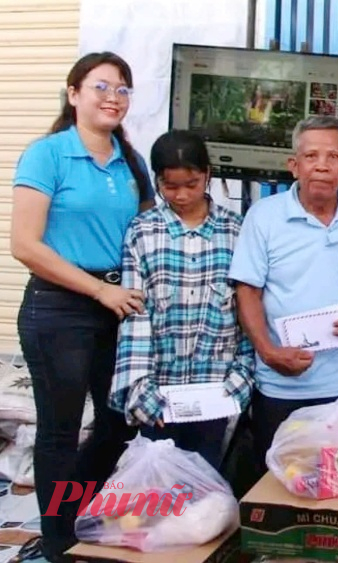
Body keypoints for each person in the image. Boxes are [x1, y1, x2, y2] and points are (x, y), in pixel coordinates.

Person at [10, 51, 154, 562]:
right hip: (59, 307)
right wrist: (97, 290)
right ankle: (57, 542)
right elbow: (25, 245)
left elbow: (147, 232)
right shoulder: (47, 155)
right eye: (101, 86)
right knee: (60, 429)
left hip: (118, 305)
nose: (113, 97)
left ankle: (77, 509)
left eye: (122, 89)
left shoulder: (131, 161)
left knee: (120, 421)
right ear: (73, 93)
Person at [229, 116, 338, 473]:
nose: (322, 165)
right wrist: (269, 352)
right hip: (281, 384)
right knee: (281, 482)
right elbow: (248, 290)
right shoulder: (264, 217)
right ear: (294, 165)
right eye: (311, 155)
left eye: (333, 156)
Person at [109, 130, 255, 469]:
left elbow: (248, 314)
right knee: (158, 491)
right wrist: (142, 390)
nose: (182, 195)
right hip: (160, 394)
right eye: (170, 186)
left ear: (208, 174)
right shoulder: (143, 232)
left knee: (206, 491)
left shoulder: (237, 231)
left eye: (192, 184)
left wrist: (240, 382)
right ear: (157, 180)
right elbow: (135, 318)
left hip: (217, 390)